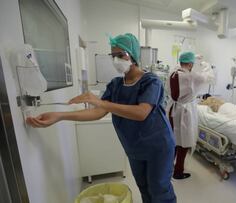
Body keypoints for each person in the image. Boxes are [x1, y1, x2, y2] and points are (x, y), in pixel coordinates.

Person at [26, 33, 176, 203]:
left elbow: (141, 113)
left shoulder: (150, 82)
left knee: (159, 190)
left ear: (132, 55)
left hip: (158, 146)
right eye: (113, 56)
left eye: (121, 55)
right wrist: (59, 116)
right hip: (135, 148)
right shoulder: (116, 85)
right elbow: (97, 112)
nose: (116, 60)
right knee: (144, 188)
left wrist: (100, 103)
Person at [167, 52, 215, 179]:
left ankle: (168, 168)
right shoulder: (191, 76)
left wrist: (193, 56)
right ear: (189, 64)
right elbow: (208, 77)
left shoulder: (173, 73)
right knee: (184, 142)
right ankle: (178, 172)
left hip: (173, 110)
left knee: (174, 140)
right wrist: (206, 65)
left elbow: (181, 66)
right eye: (192, 64)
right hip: (185, 113)